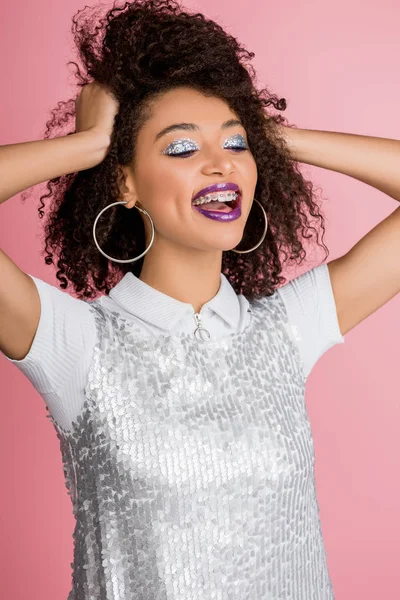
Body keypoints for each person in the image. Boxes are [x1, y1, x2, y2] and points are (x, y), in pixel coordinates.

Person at [3, 0, 400, 598]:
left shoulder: (286, 329)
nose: (221, 165)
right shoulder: (75, 343)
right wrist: (88, 146)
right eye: (182, 149)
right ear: (126, 182)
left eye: (236, 145)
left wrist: (267, 138)